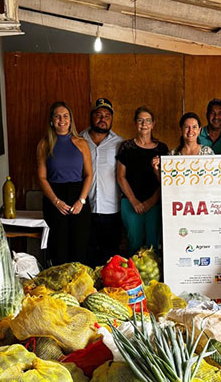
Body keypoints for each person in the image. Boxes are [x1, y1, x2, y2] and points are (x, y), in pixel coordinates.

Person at [37, 100, 92, 265]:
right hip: (54, 198)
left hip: (78, 196)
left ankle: (80, 281)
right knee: (59, 247)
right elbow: (42, 178)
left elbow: (89, 174)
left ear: (71, 119)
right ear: (51, 120)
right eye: (57, 116)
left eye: (65, 116)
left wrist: (81, 200)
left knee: (80, 246)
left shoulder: (82, 143)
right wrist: (56, 201)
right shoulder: (44, 144)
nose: (62, 120)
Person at [116, 106, 169, 256]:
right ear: (135, 123)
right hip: (131, 203)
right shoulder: (126, 147)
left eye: (147, 121)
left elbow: (165, 180)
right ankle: (133, 272)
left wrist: (151, 201)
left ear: (153, 124)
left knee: (153, 245)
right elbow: (120, 177)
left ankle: (155, 271)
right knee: (134, 243)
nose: (144, 124)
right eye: (140, 120)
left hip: (155, 203)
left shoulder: (162, 149)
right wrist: (134, 201)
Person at [79, 97, 123, 266]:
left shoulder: (119, 143)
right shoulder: (79, 140)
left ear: (111, 119)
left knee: (109, 259)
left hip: (111, 209)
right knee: (86, 256)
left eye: (107, 116)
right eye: (99, 115)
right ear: (92, 117)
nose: (102, 119)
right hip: (84, 209)